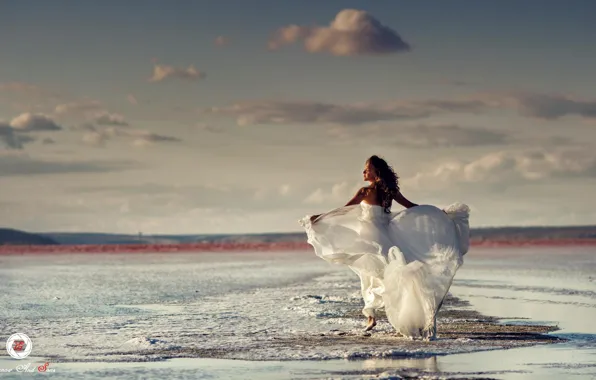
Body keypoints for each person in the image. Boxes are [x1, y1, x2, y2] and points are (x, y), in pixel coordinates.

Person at [300, 155, 470, 340]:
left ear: (376, 171)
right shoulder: (390, 191)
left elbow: (342, 210)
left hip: (369, 237)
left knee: (372, 276)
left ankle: (375, 316)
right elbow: (412, 207)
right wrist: (438, 214)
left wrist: (317, 218)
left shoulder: (365, 192)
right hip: (386, 235)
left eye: (367, 169)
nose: (364, 172)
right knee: (386, 276)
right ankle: (389, 316)